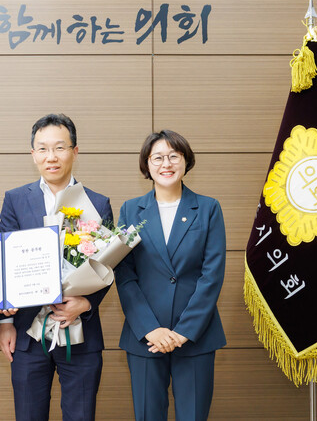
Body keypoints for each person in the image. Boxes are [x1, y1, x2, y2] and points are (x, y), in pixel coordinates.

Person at [0, 113, 113, 421]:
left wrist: (86, 303)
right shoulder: (15, 200)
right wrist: (5, 323)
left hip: (80, 331)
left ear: (75, 151)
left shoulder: (97, 203)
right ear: (33, 154)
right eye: (43, 149)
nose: (52, 157)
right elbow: (4, 261)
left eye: (60, 148)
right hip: (27, 333)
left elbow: (108, 264)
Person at [115, 130, 226, 421]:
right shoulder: (130, 210)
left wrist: (183, 332)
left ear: (185, 161)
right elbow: (124, 274)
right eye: (158, 158)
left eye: (174, 156)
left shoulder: (208, 208)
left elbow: (212, 275)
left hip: (196, 336)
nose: (166, 164)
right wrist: (150, 328)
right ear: (147, 164)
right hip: (146, 337)